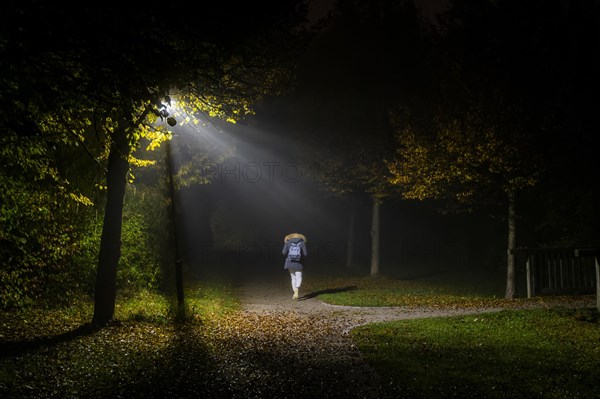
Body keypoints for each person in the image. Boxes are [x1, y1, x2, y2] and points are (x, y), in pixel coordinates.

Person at [282, 232, 307, 300]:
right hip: (299, 263)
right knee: (299, 277)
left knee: (293, 277)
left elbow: (283, 253)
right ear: (299, 237)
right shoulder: (302, 242)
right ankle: (297, 288)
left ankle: (295, 291)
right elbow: (305, 254)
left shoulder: (288, 242)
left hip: (289, 262)